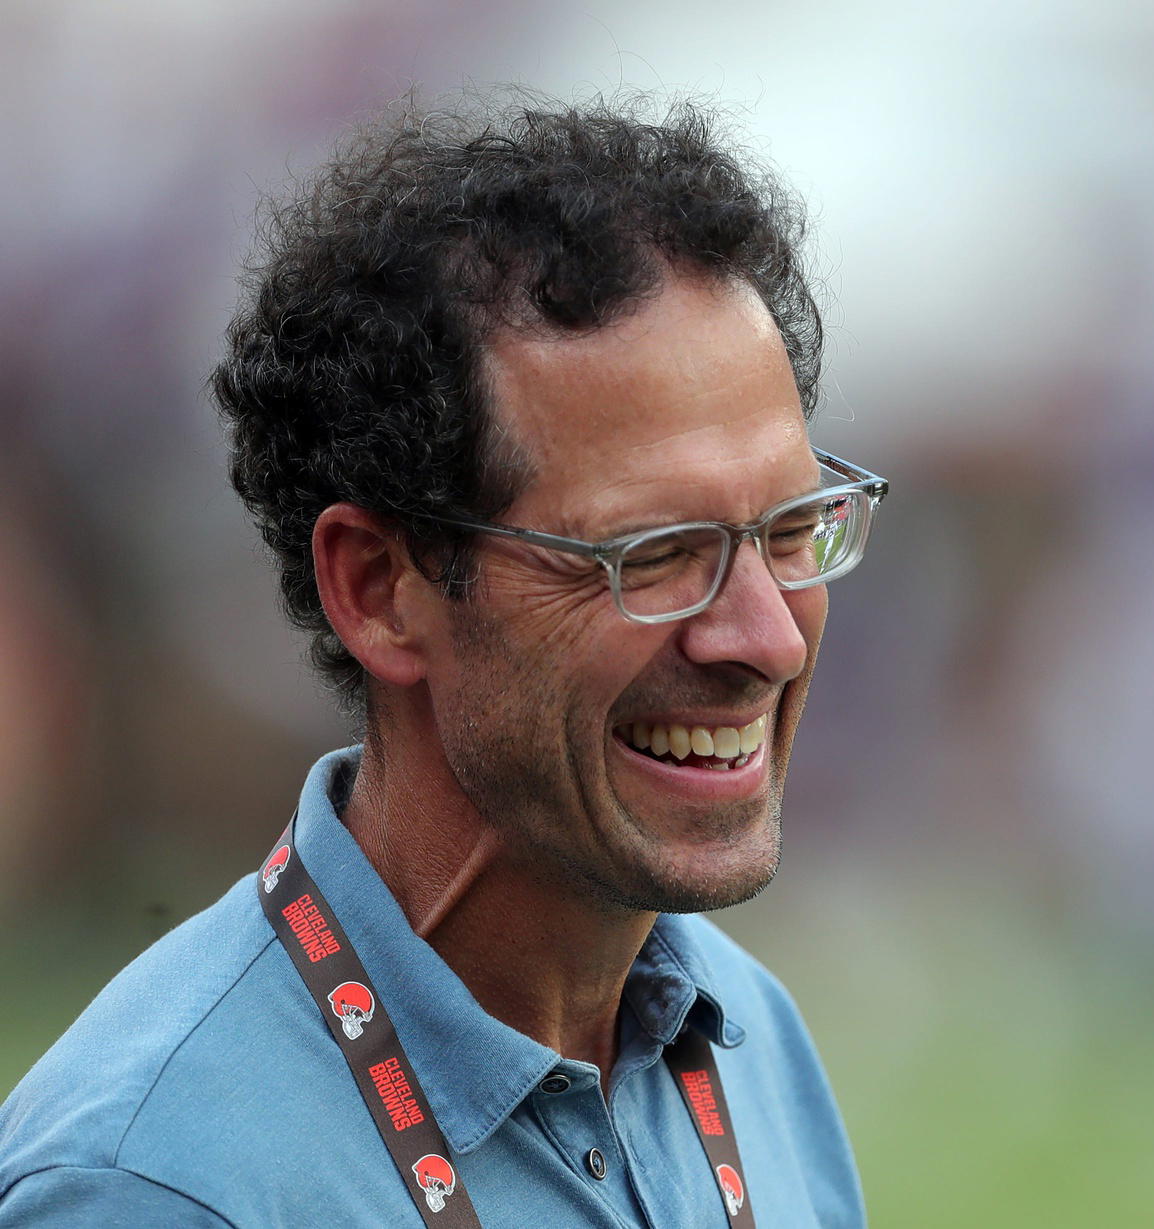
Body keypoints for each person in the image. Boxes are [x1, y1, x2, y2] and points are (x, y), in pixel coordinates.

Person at [0, 90, 884, 1226]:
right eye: (656, 553)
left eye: (792, 529)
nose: (767, 635)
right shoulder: (154, 1186)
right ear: (379, 590)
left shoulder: (746, 1037)